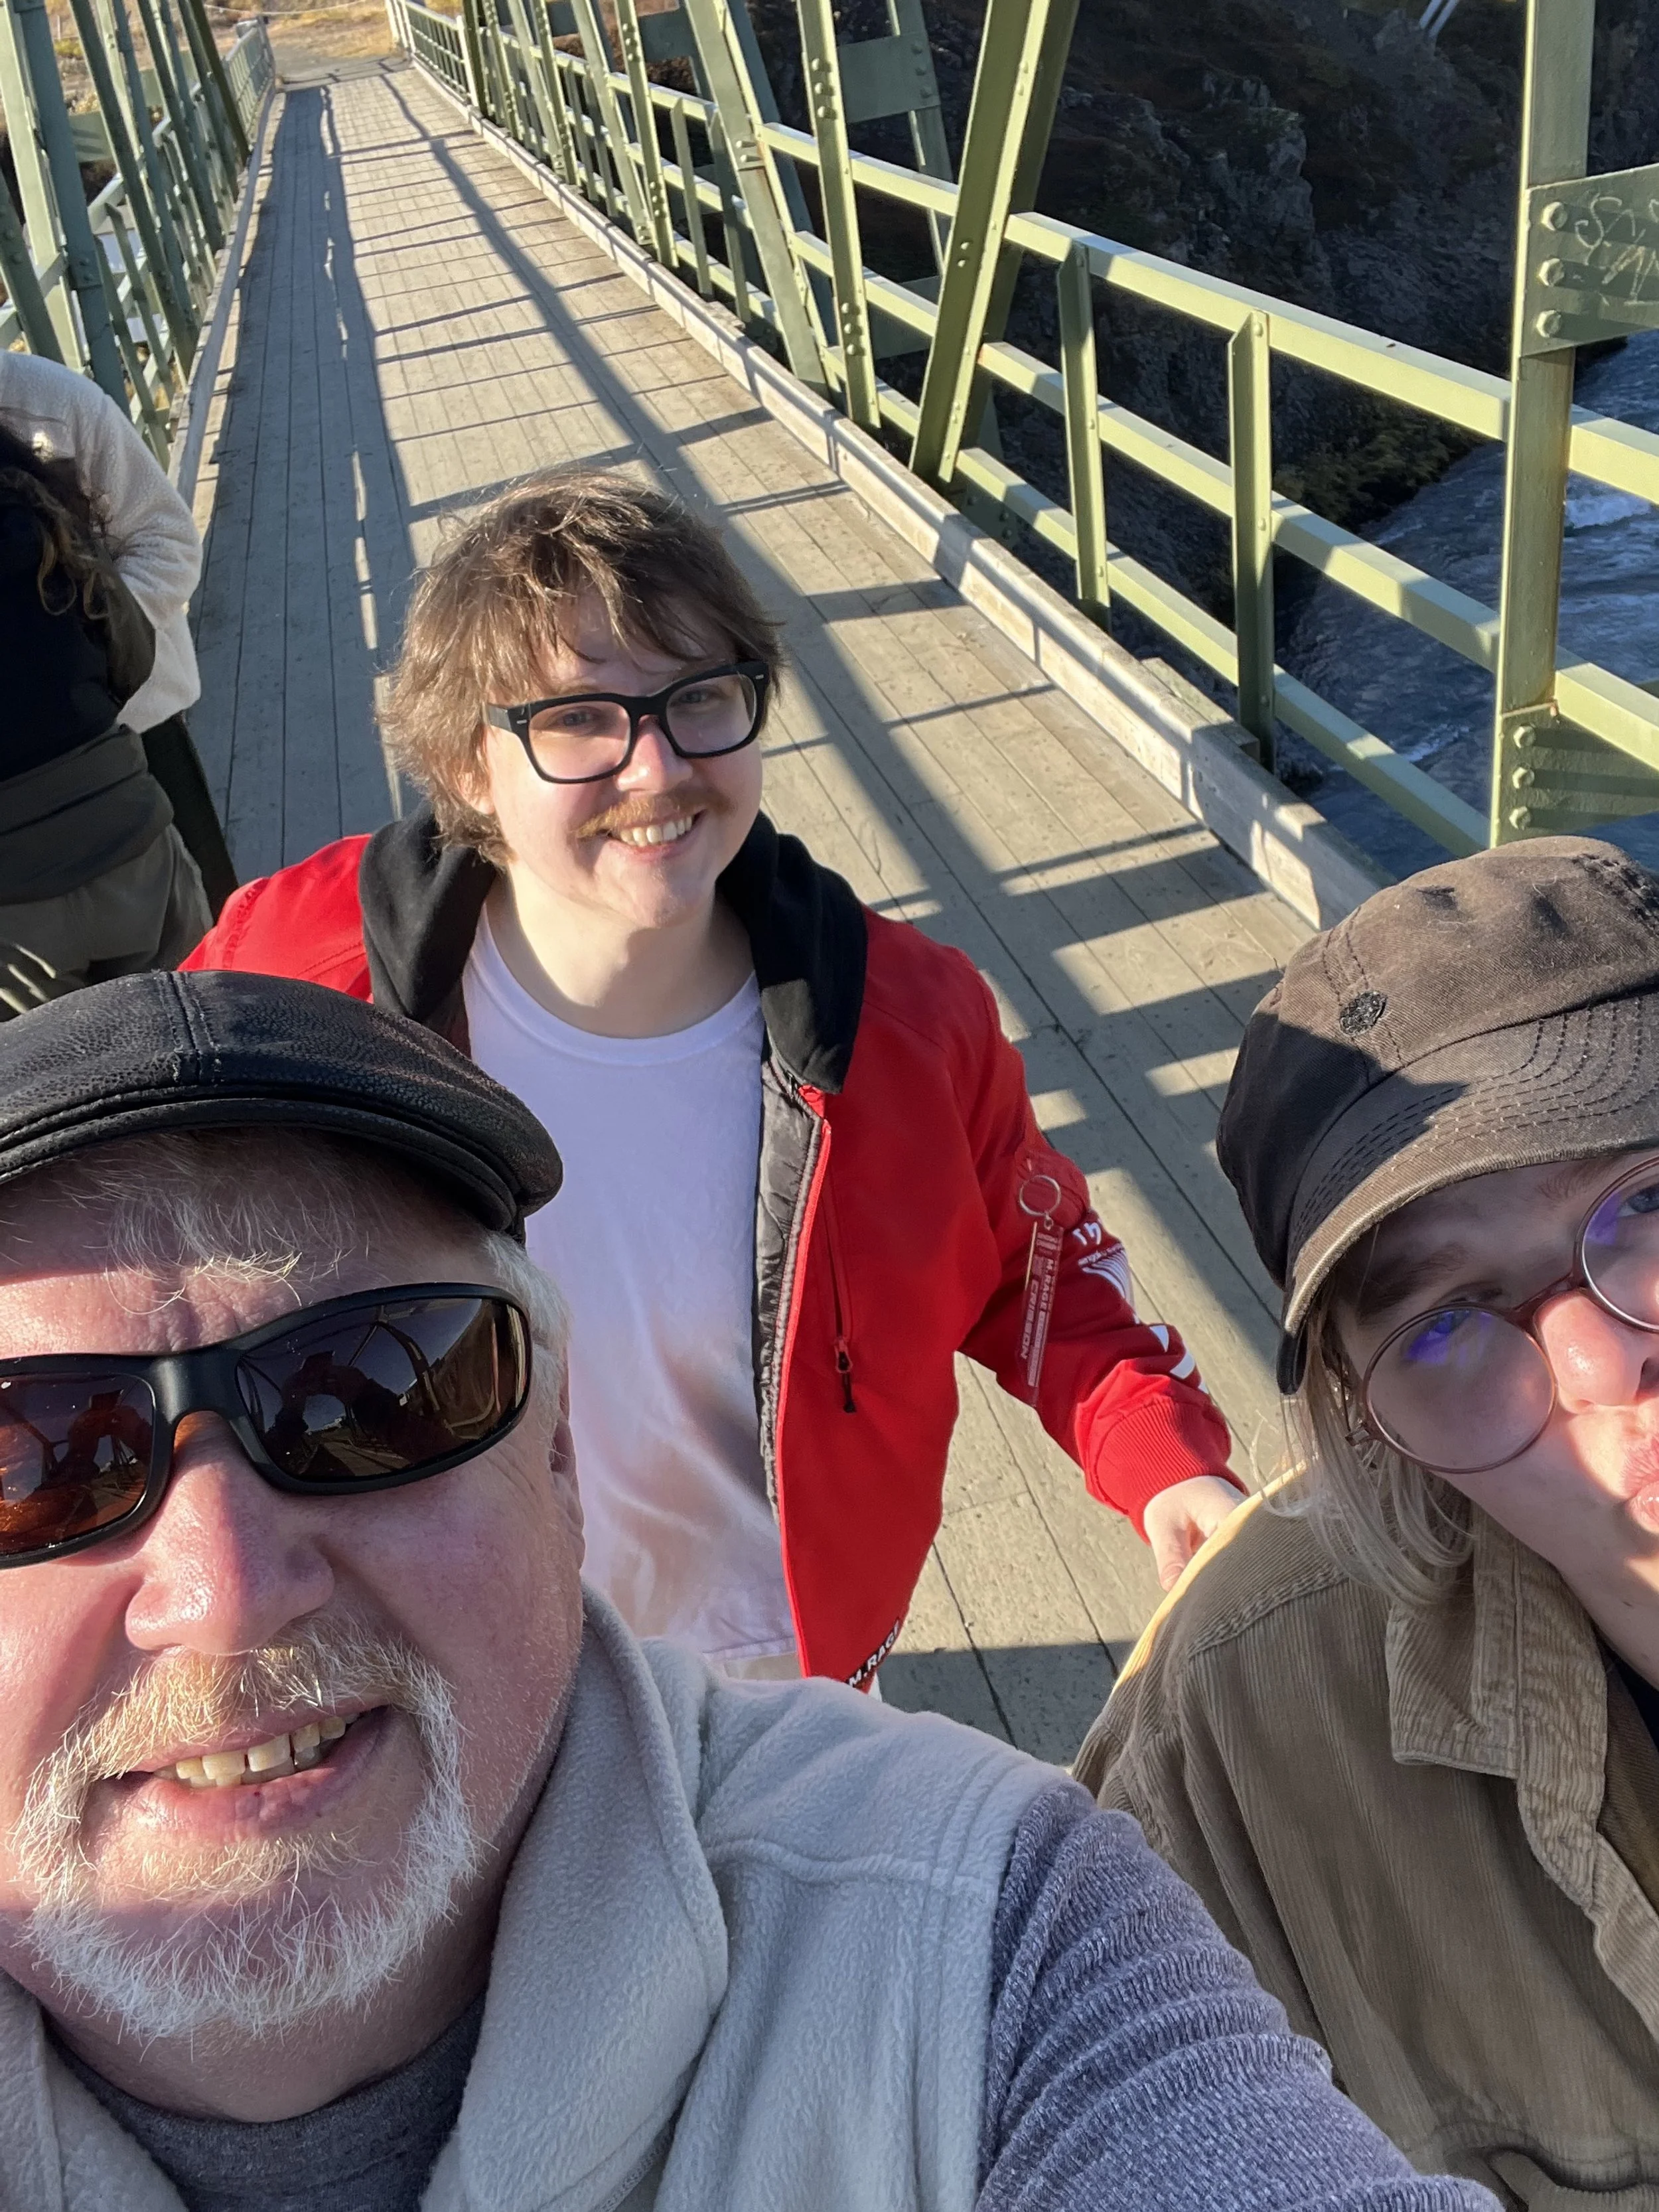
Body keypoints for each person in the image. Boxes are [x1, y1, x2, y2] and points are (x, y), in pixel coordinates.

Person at [0, 966, 1500, 2212]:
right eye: (30, 1458)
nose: (226, 1586)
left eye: (378, 1393)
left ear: (564, 1447)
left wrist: (1157, 1448)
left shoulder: (975, 1929)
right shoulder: (317, 930)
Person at [183, 467, 1244, 1684]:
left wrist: (1166, 1458)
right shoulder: (295, 985)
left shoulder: (902, 1021)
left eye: (701, 698)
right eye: (578, 718)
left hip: (798, 1674)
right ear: (469, 766)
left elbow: (1039, 1267)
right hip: (447, 1676)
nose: (656, 769)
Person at [1078, 835, 1659, 2197]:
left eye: (1644, 1206)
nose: (1593, 1371)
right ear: (1365, 1424)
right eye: (1444, 1319)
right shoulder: (1241, 1729)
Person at [0, 350, 236, 918]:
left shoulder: (50, 403)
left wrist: (89, 654)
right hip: (19, 791)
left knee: (216, 943)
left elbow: (168, 542)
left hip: (137, 731)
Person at [0, 417, 212, 1019]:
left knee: (66, 1095)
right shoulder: (27, 498)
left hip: (13, 906)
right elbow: (132, 653)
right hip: (131, 830)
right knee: (211, 1041)